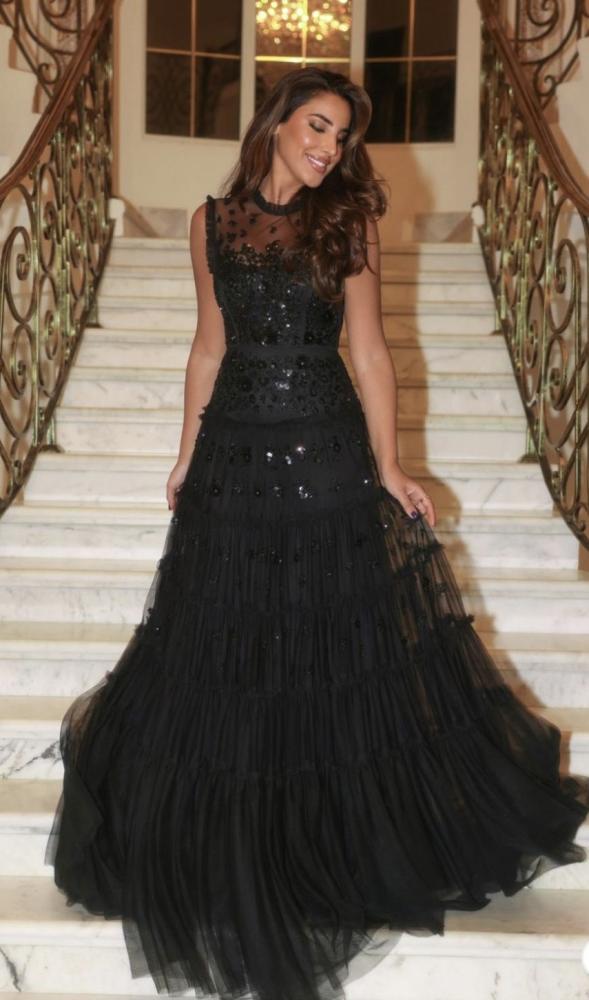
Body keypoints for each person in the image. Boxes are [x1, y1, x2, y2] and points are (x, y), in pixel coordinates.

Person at [45, 67, 589, 1000]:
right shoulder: (209, 224)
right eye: (317, 126)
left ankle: (328, 841)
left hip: (327, 454)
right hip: (232, 459)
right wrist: (183, 457)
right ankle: (240, 840)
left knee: (328, 649)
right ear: (276, 123)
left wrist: (391, 465)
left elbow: (369, 352)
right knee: (230, 650)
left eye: (341, 135)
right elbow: (209, 347)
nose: (329, 148)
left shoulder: (350, 224)